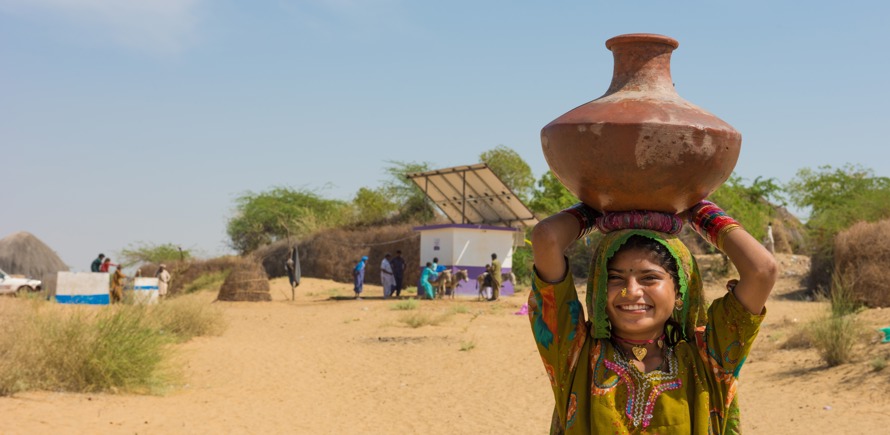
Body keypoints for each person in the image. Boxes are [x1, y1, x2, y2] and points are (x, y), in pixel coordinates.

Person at [529, 202, 777, 434]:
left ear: (679, 291)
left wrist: (696, 209)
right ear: (600, 288)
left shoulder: (707, 359)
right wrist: (596, 209)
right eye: (615, 278)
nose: (631, 291)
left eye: (649, 278)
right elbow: (547, 238)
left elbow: (762, 270)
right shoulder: (575, 354)